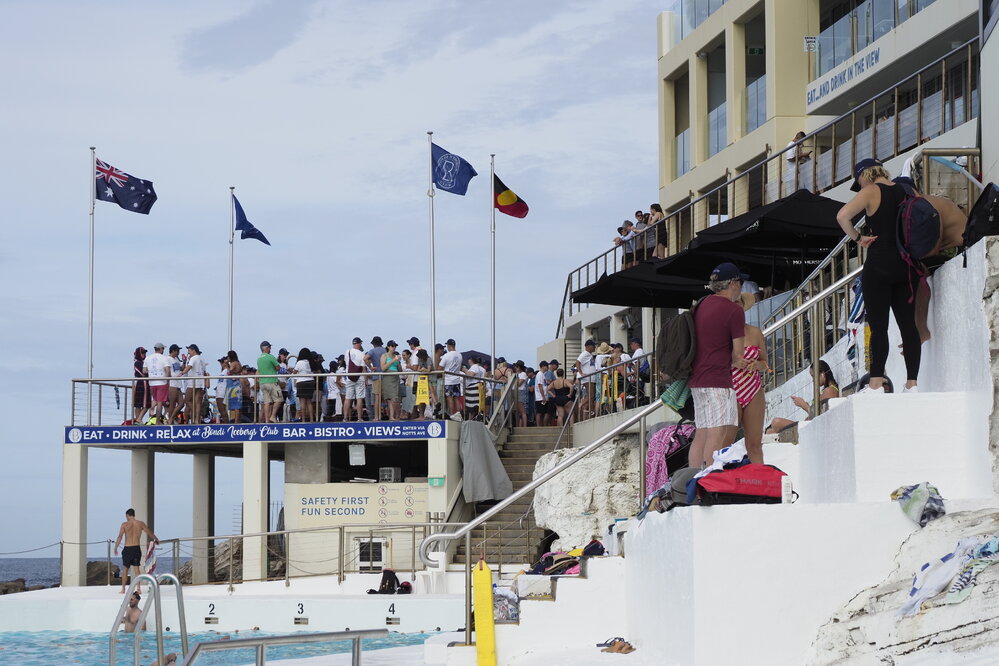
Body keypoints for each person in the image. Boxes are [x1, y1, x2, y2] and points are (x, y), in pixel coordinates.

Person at [837, 158, 920, 393]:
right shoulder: (907, 189)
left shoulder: (871, 191)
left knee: (879, 326)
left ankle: (875, 382)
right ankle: (912, 383)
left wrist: (857, 238)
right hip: (907, 264)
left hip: (879, 265)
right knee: (908, 326)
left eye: (859, 181)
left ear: (865, 174)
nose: (860, 186)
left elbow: (842, 216)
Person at [687, 263, 749, 468]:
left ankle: (692, 481)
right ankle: (707, 481)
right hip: (718, 380)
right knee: (717, 431)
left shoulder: (702, 304)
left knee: (702, 432)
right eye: (740, 282)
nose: (741, 287)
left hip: (697, 379)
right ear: (731, 283)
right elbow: (737, 355)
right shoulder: (733, 311)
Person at [733, 294, 769, 463]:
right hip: (729, 388)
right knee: (725, 444)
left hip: (753, 388)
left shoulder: (755, 332)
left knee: (755, 444)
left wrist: (758, 365)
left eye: (738, 304)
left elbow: (765, 363)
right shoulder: (720, 333)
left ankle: (759, 484)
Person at [767, 360, 840, 434]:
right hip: (808, 425)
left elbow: (821, 416)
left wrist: (803, 405)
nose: (813, 380)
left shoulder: (830, 391)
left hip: (811, 428)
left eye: (813, 376)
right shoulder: (825, 390)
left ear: (823, 374)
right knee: (770, 432)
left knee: (776, 422)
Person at [114, 508, 158, 594]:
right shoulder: (140, 524)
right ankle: (138, 588)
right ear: (133, 515)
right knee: (137, 569)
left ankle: (123, 589)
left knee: (125, 569)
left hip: (127, 548)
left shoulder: (125, 524)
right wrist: (156, 539)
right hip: (136, 548)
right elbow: (149, 532)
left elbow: (120, 537)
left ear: (127, 515)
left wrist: (116, 547)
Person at [143, 343, 170, 423]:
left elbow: (144, 371)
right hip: (162, 382)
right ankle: (158, 421)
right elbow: (168, 371)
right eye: (163, 349)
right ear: (161, 349)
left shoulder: (148, 358)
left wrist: (151, 372)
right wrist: (167, 380)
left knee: (155, 400)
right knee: (159, 403)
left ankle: (151, 415)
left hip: (152, 383)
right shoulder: (164, 358)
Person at [256, 341, 281, 424]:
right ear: (266, 348)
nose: (270, 349)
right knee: (278, 399)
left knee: (267, 402)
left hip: (263, 383)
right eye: (269, 347)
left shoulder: (259, 359)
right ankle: (273, 416)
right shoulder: (270, 357)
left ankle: (266, 420)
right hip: (272, 381)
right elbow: (278, 367)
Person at [182, 344, 207, 425]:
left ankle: (195, 413)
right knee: (198, 402)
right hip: (200, 382)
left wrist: (181, 373)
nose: (188, 353)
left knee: (187, 400)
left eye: (189, 351)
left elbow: (189, 367)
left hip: (192, 382)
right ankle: (197, 420)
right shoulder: (202, 359)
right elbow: (204, 372)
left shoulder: (193, 358)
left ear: (193, 350)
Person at [440, 339, 464, 421]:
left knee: (449, 397)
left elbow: (440, 367)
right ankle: (458, 414)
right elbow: (460, 367)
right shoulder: (459, 355)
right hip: (456, 379)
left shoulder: (446, 355)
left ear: (448, 346)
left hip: (448, 380)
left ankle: (451, 414)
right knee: (456, 398)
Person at [343, 337, 367, 422]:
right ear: (359, 344)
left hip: (349, 376)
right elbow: (364, 368)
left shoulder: (347, 352)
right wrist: (366, 379)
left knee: (348, 398)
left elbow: (346, 363)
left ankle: (345, 418)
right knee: (359, 398)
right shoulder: (362, 354)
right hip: (359, 377)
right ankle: (359, 418)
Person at [574, 339, 598, 420]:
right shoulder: (585, 353)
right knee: (591, 395)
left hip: (591, 379)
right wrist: (580, 373)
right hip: (587, 379)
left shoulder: (589, 355)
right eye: (593, 346)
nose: (594, 347)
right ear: (588, 346)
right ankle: (581, 404)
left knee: (591, 396)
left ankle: (588, 410)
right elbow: (577, 362)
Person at [380, 341, 402, 421]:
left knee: (396, 398)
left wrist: (398, 362)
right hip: (388, 377)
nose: (394, 348)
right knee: (391, 398)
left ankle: (395, 416)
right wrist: (392, 361)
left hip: (396, 377)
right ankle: (392, 416)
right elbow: (383, 368)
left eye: (395, 346)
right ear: (388, 347)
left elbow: (400, 370)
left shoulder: (396, 356)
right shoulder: (384, 355)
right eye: (392, 346)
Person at [292, 348, 316, 422]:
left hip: (301, 382)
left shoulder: (299, 362)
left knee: (302, 402)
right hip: (310, 382)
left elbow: (294, 372)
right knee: (309, 402)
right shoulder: (311, 362)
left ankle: (303, 420)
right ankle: (311, 419)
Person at [165, 344, 186, 424]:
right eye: (177, 351)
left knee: (181, 404)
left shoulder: (176, 359)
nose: (179, 352)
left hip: (178, 384)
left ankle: (171, 418)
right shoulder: (167, 359)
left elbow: (181, 368)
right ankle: (170, 419)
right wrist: (174, 376)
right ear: (173, 351)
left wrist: (184, 361)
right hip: (172, 384)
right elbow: (167, 371)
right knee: (172, 403)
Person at [224, 351, 244, 423]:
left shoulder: (233, 363)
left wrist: (227, 366)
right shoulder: (238, 363)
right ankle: (237, 420)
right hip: (237, 384)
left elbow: (230, 372)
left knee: (235, 404)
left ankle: (236, 421)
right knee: (237, 404)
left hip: (233, 385)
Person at [132, 347, 150, 424]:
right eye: (142, 353)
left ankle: (139, 419)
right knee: (140, 404)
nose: (144, 354)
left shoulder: (144, 362)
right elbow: (144, 373)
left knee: (145, 403)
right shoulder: (137, 363)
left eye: (145, 353)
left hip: (145, 383)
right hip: (141, 383)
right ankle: (138, 419)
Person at [534, 360, 551, 426]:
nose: (548, 367)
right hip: (540, 397)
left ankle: (541, 424)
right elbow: (540, 385)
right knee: (540, 412)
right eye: (547, 366)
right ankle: (539, 425)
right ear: (543, 366)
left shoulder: (542, 375)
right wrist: (543, 396)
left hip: (542, 396)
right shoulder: (540, 374)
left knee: (543, 412)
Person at [213, 356, 229, 424]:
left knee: (222, 409)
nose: (221, 364)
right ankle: (226, 423)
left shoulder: (227, 371)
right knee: (221, 409)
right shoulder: (223, 372)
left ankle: (226, 423)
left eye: (222, 362)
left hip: (223, 392)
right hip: (219, 392)